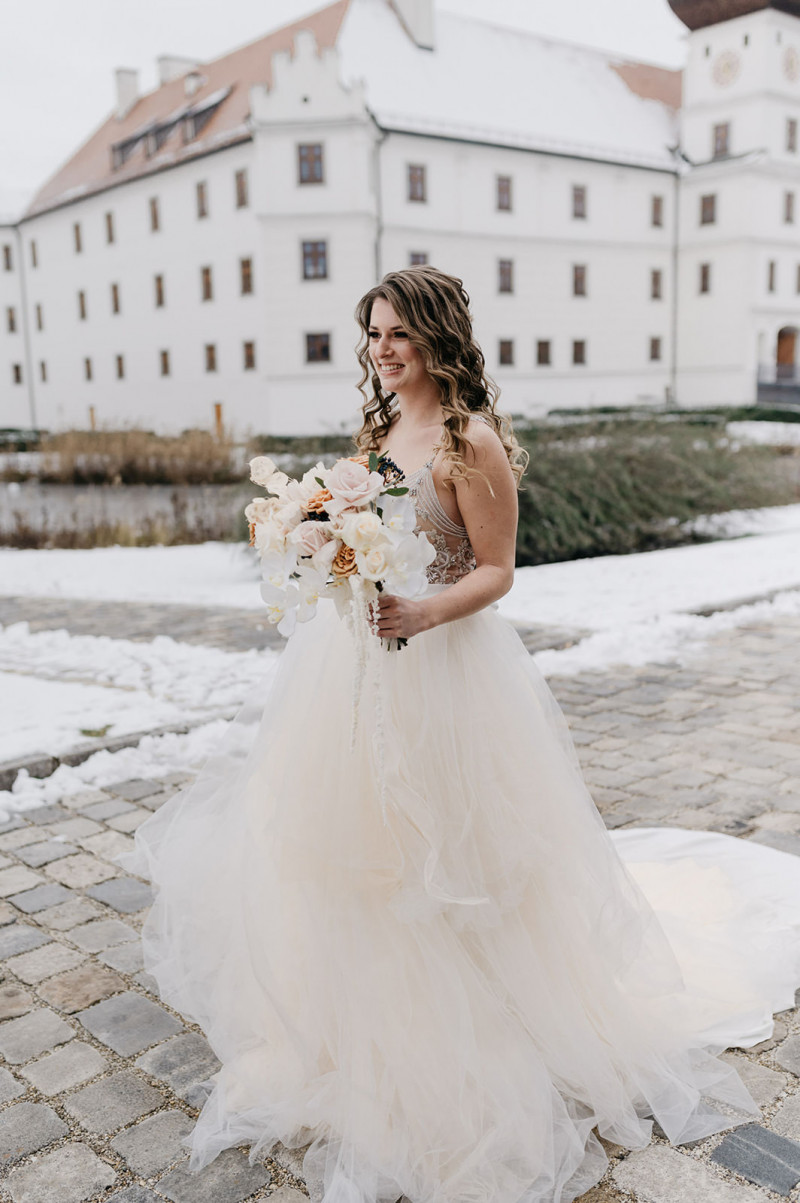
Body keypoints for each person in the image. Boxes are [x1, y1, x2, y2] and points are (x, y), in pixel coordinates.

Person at [117, 266, 800, 1203]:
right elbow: (365, 534)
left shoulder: (470, 440)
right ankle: (359, 1021)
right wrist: (323, 547)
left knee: (457, 855)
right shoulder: (381, 427)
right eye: (373, 336)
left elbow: (496, 569)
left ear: (439, 336)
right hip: (355, 669)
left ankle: (483, 1023)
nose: (382, 351)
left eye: (398, 334)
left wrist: (424, 611)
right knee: (351, 851)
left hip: (445, 668)